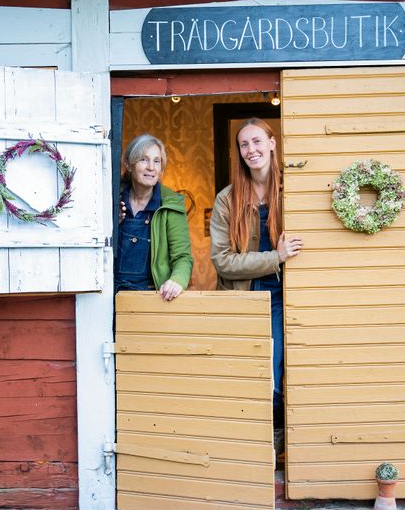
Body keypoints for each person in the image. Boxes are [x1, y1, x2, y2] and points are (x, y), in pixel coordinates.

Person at [209, 118, 303, 453]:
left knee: (283, 368)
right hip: (244, 297)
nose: (251, 150)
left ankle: (278, 436)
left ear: (272, 144)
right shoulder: (227, 199)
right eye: (244, 144)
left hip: (287, 295)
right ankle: (259, 442)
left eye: (257, 141)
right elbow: (222, 261)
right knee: (254, 372)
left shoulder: (294, 189)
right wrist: (275, 257)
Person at [115, 134, 193, 300]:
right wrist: (113, 225)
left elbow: (182, 257)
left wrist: (177, 280)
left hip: (152, 296)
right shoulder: (112, 197)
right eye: (144, 160)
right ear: (128, 164)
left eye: (157, 161)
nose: (151, 167)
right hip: (109, 293)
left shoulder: (171, 204)